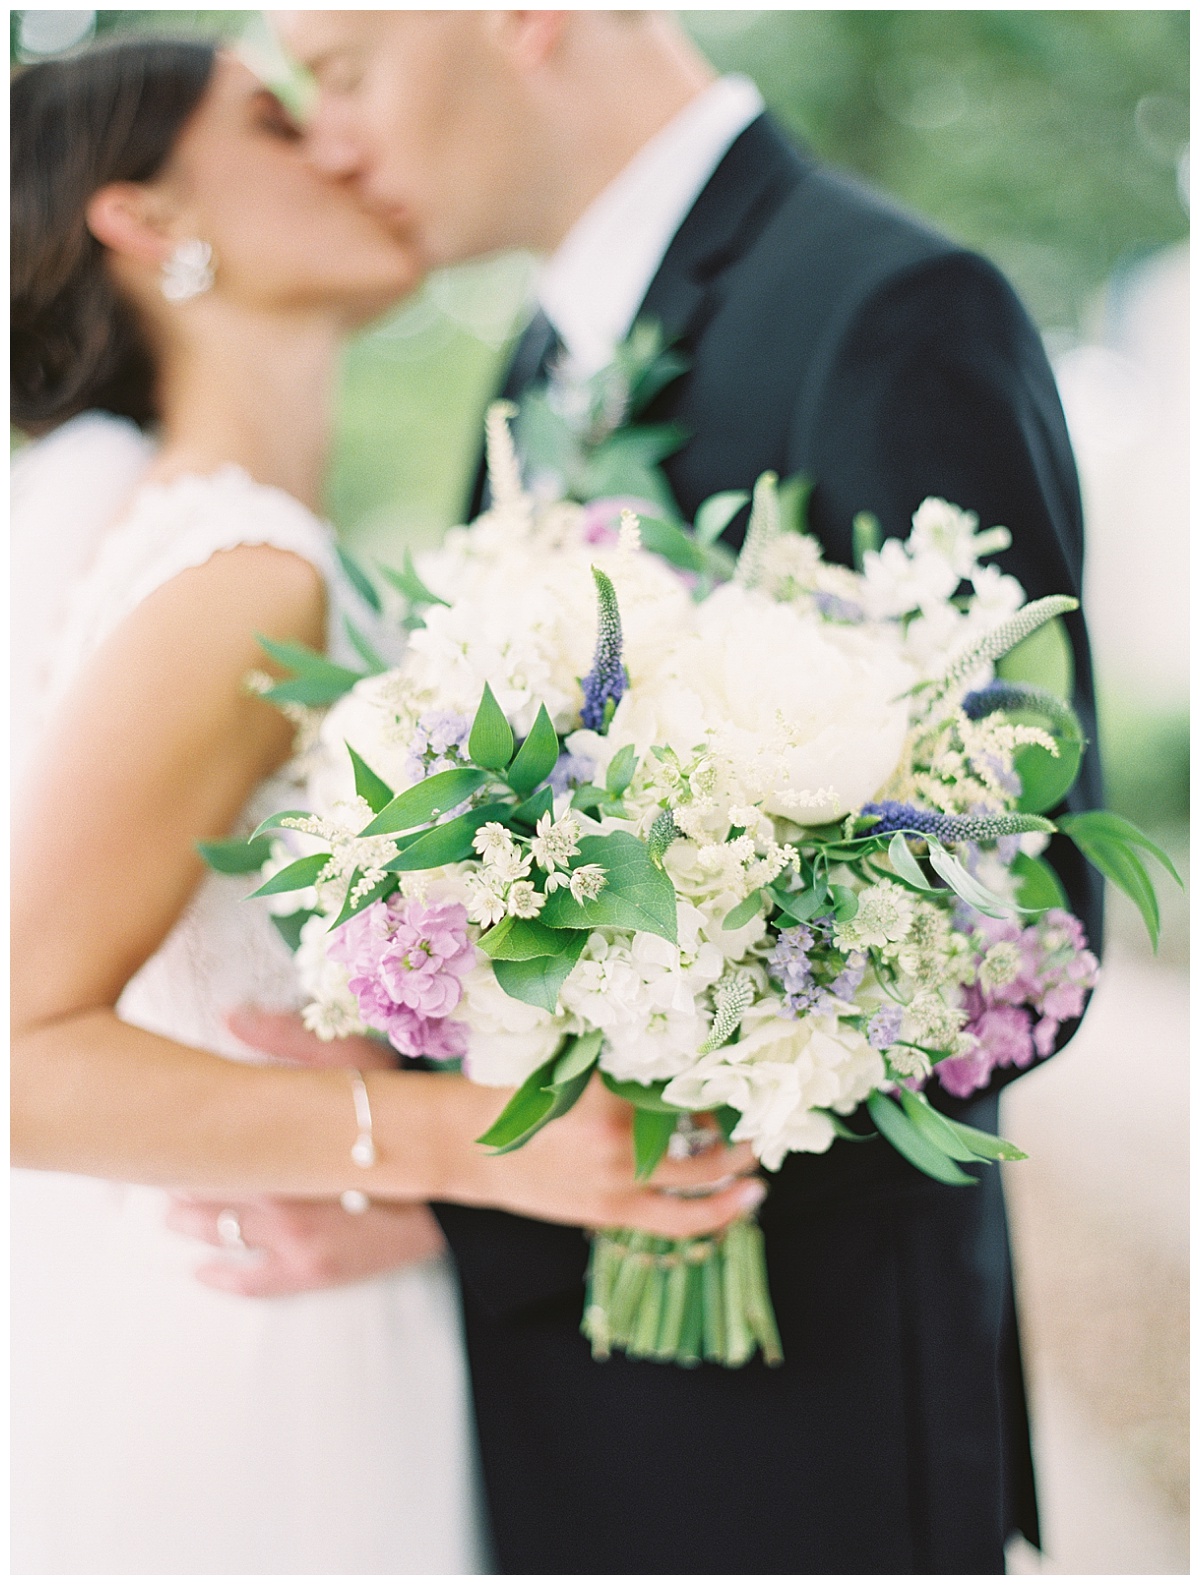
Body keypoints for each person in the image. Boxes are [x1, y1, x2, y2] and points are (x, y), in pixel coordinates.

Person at [225, 12, 1102, 1573]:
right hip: (563, 1415)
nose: (333, 145)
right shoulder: (537, 363)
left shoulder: (890, 310)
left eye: (344, 72)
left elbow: (1013, 930)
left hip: (793, 1439)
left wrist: (455, 1194)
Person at [9, 35, 762, 1575]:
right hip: (258, 1357)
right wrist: (481, 1143)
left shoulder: (280, 553)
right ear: (149, 222)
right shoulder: (236, 580)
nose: (351, 148)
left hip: (320, 1291)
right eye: (284, 123)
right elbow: (20, 1060)